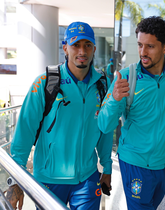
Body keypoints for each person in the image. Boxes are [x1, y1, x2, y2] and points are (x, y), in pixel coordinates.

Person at [7, 21, 113, 210]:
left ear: (94, 48)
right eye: (76, 45)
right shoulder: (45, 82)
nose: (82, 51)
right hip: (49, 179)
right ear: (65, 48)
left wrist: (106, 166)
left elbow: (105, 129)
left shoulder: (102, 84)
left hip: (87, 178)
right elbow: (25, 131)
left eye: (87, 45)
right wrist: (16, 180)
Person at [98, 16, 165, 210]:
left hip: (163, 162)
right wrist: (115, 99)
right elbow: (104, 125)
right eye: (140, 45)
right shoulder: (125, 77)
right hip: (134, 162)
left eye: (150, 46)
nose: (142, 52)